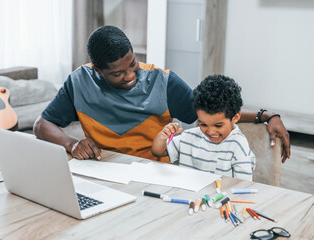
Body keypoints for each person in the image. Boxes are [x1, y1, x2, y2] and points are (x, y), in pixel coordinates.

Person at [33, 25, 290, 163]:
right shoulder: (79, 82)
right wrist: (72, 143)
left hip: (155, 171)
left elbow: (212, 113)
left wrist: (266, 115)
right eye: (118, 73)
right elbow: (42, 125)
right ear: (97, 70)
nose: (130, 75)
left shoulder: (162, 81)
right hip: (102, 169)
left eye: (132, 64)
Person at [151, 75, 256, 180]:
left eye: (218, 125)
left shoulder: (238, 145)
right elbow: (157, 151)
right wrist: (163, 137)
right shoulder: (189, 136)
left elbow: (243, 185)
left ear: (235, 117)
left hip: (220, 196)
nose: (210, 131)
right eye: (203, 124)